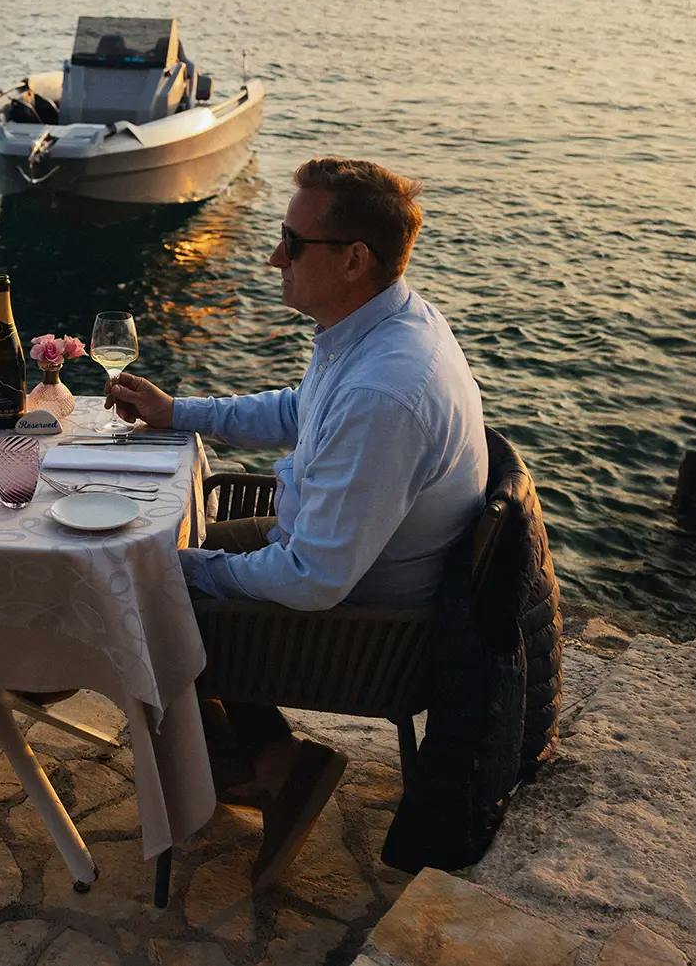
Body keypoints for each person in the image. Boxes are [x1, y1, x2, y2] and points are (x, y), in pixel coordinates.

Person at [106, 157, 487, 886]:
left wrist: (174, 569)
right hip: (337, 559)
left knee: (136, 591)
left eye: (291, 241)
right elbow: (298, 410)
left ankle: (260, 770)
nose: (275, 256)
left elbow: (313, 580)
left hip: (366, 628)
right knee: (156, 556)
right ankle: (265, 757)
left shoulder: (384, 391)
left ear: (353, 260)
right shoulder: (386, 325)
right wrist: (178, 411)